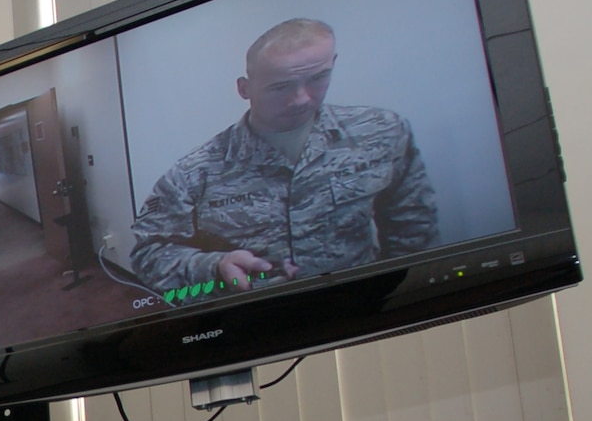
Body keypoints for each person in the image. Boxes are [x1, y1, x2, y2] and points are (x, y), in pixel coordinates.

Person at [128, 18, 439, 295]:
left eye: (317, 78)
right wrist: (214, 266)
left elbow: (413, 229)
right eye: (280, 86)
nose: (301, 99)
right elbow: (149, 254)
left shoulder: (382, 132)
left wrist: (405, 299)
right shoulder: (194, 172)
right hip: (257, 327)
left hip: (366, 309)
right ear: (244, 88)